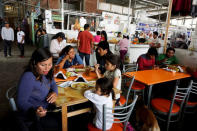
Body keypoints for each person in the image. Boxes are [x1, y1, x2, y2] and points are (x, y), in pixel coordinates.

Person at [16, 48, 61, 131]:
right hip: (34, 115)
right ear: (35, 63)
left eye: (50, 64)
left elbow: (53, 83)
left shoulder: (46, 72)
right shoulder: (29, 77)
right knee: (60, 123)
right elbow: (21, 102)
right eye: (43, 65)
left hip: (47, 108)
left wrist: (55, 92)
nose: (47, 68)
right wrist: (36, 110)